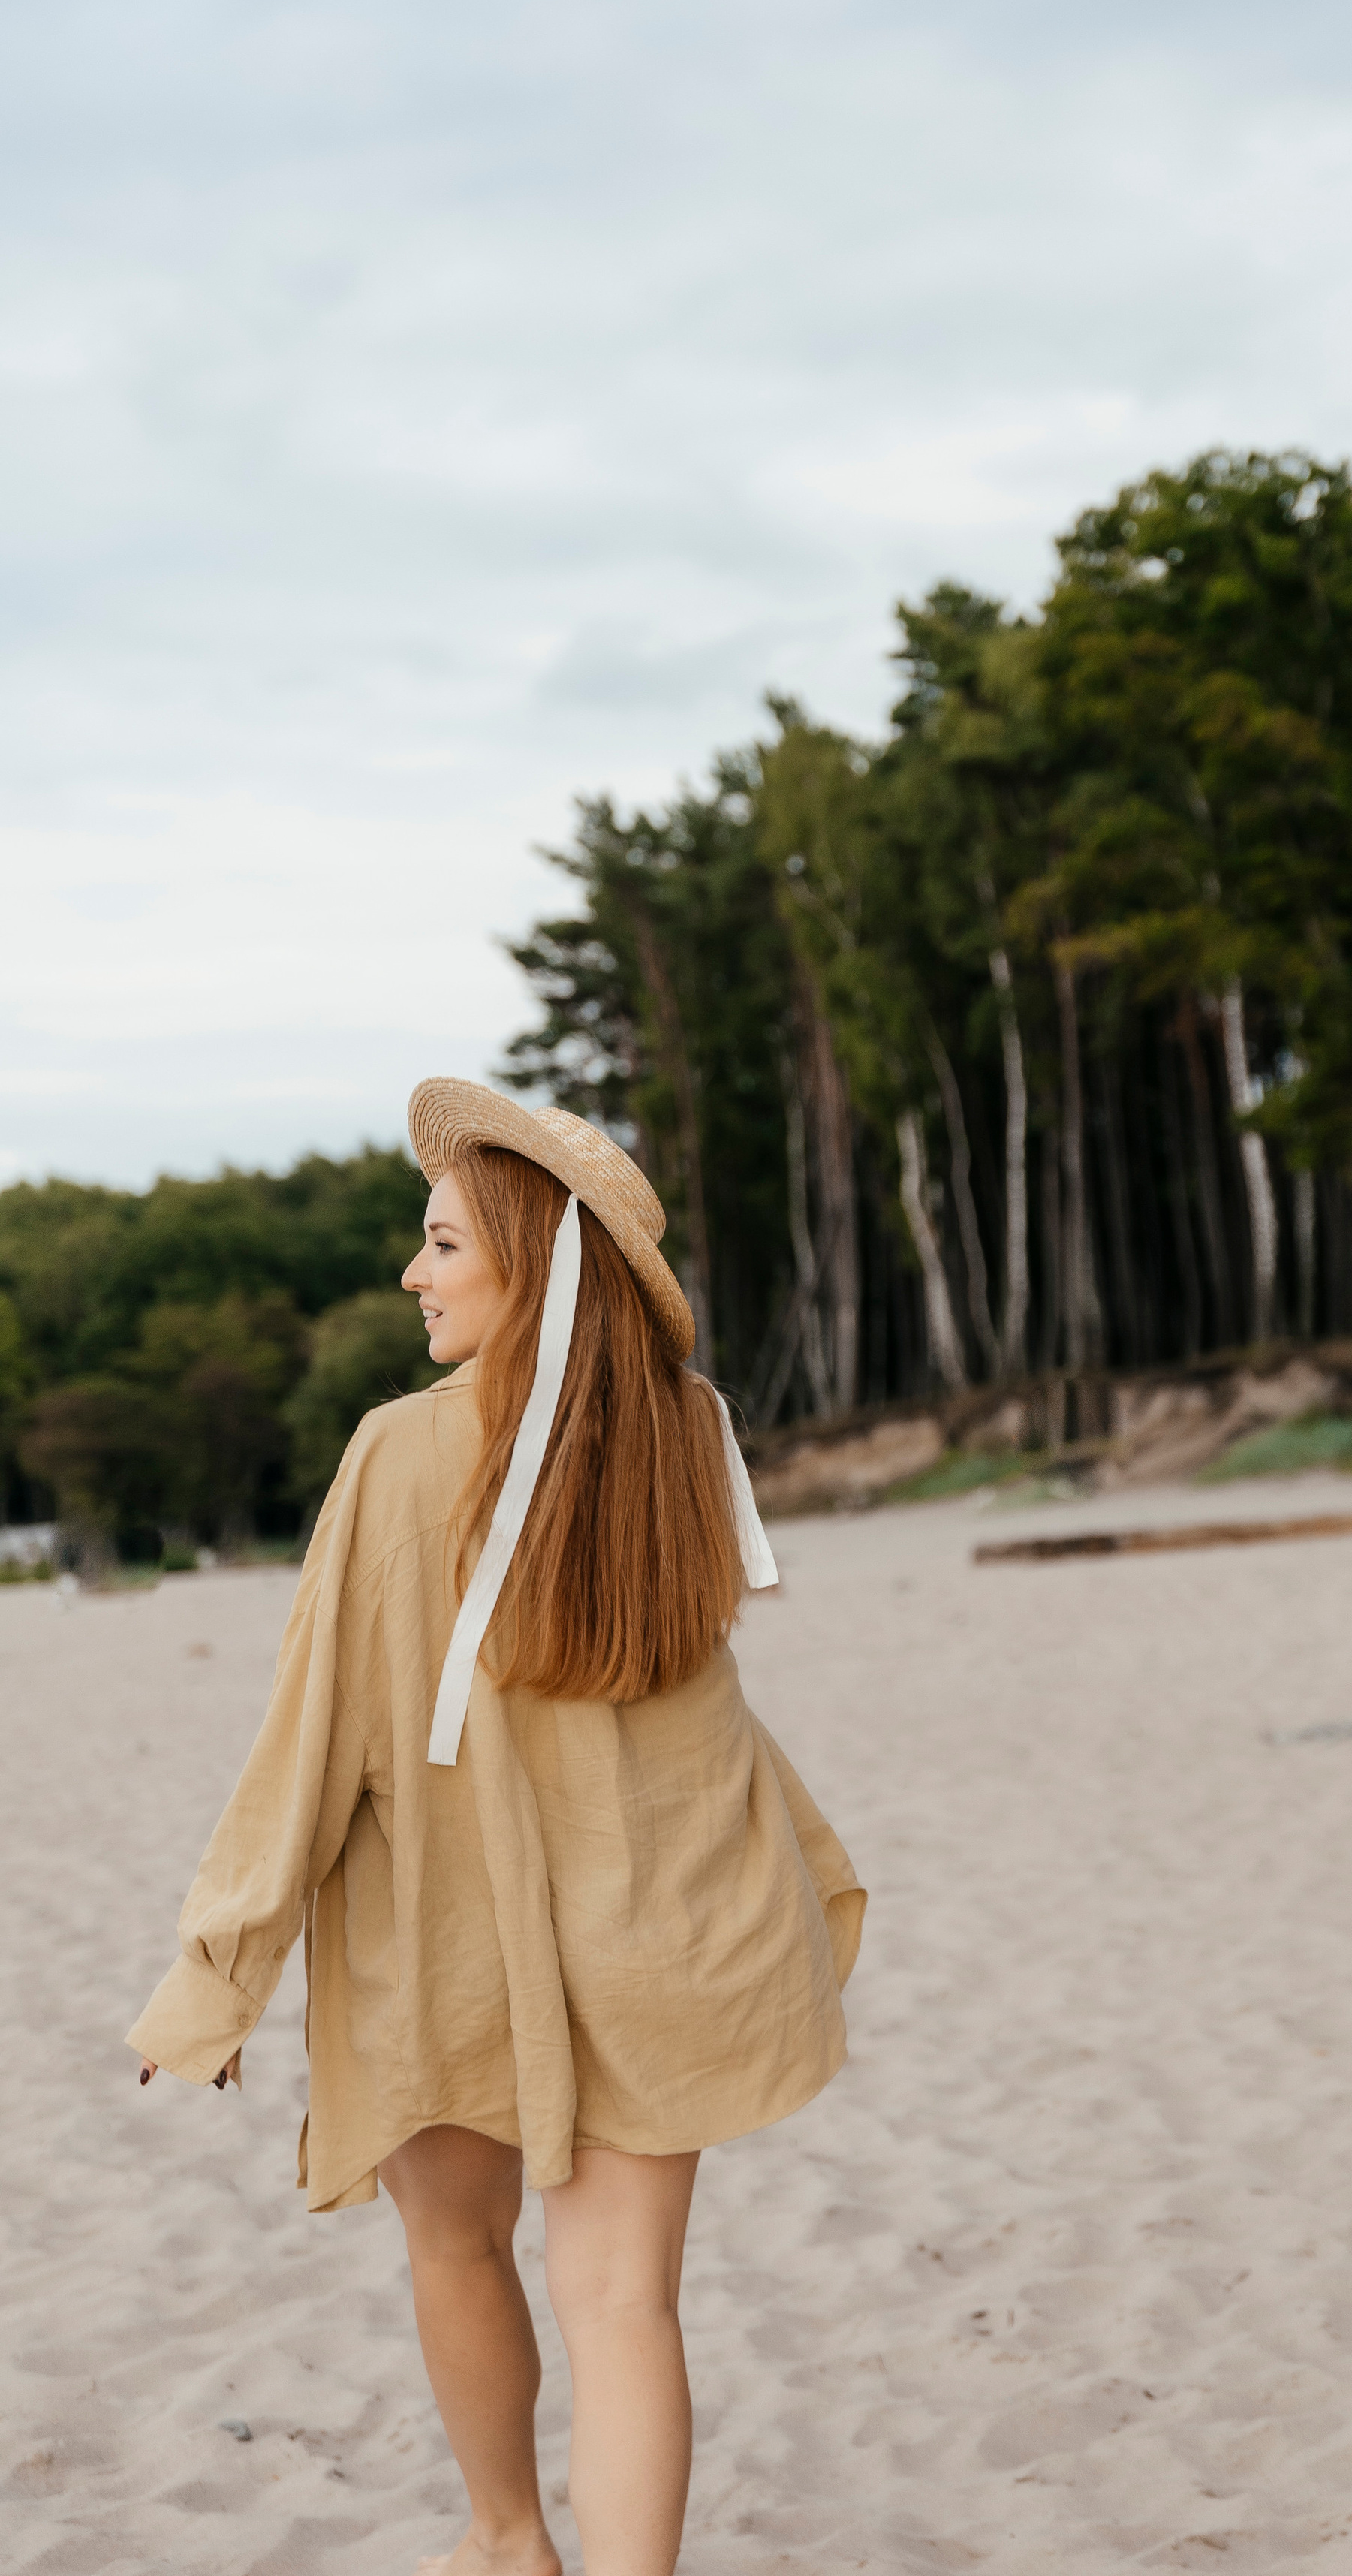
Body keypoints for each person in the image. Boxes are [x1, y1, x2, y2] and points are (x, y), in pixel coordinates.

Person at [128, 1080, 864, 2576]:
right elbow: (692, 1716)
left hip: (448, 1940)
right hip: (658, 1927)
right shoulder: (687, 1435)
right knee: (628, 2308)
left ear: (531, 1265)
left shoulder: (401, 1451)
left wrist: (217, 1973)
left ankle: (509, 2538)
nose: (415, 1272)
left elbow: (315, 1735)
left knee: (455, 2244)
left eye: (444, 1243)